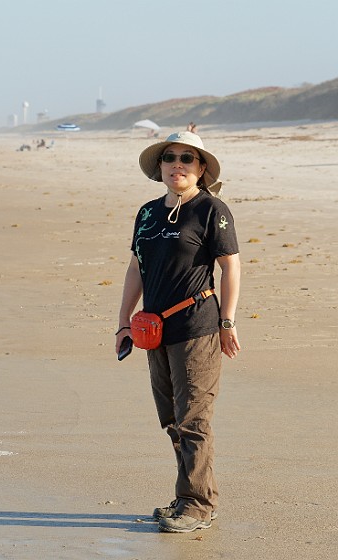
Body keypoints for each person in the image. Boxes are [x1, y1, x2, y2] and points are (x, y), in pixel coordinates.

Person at [115, 131, 241, 533]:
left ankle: (197, 506)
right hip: (153, 330)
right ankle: (194, 495)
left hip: (196, 327)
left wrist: (227, 322)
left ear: (201, 168)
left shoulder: (211, 210)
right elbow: (136, 268)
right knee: (171, 418)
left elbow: (230, 266)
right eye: (170, 157)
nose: (178, 165)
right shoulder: (148, 213)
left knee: (194, 419)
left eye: (188, 158)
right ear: (160, 167)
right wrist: (123, 322)